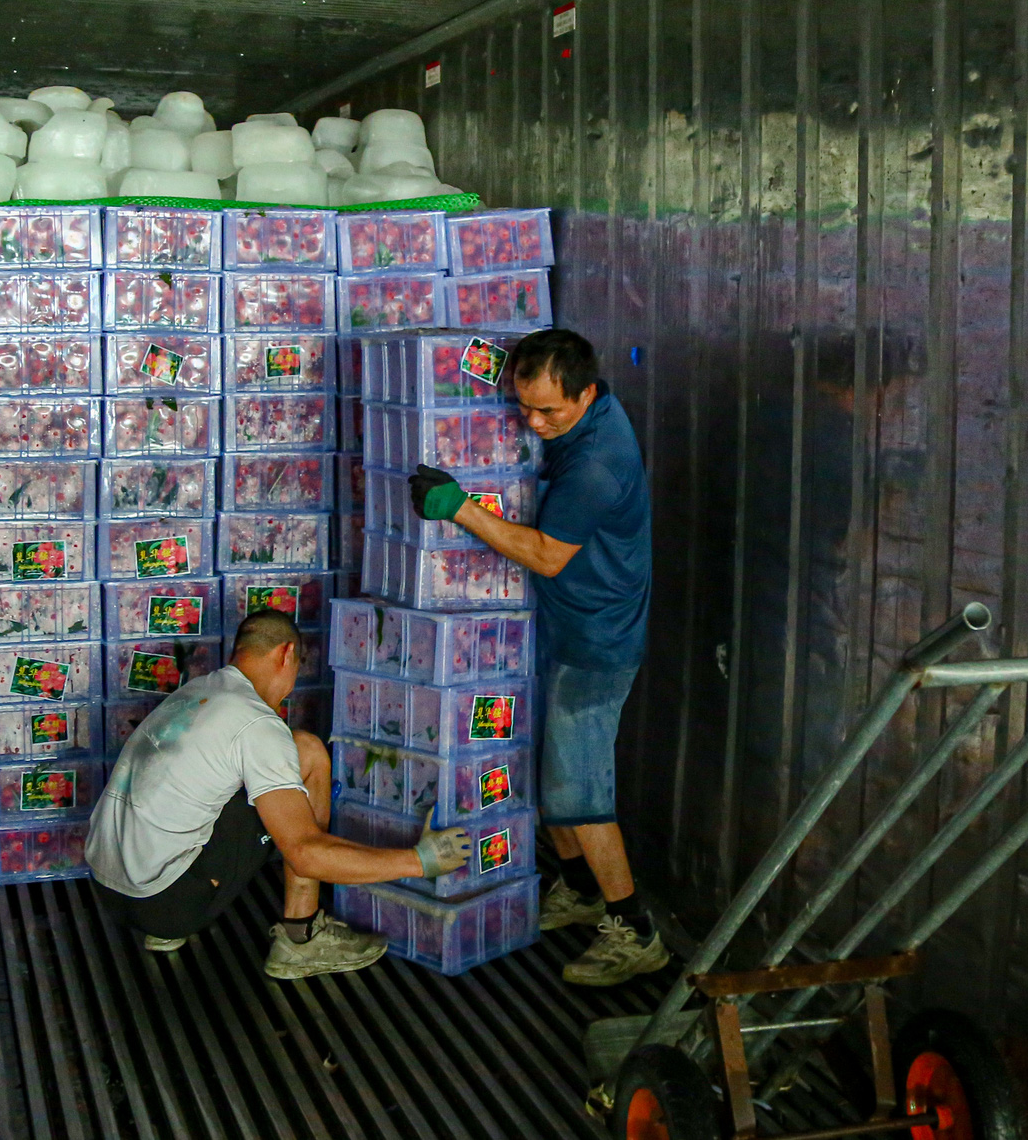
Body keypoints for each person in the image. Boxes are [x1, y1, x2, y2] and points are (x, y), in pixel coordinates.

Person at [408, 327, 664, 987]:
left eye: (549, 410)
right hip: (561, 624)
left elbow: (548, 554)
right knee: (554, 781)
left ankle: (634, 929)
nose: (533, 422)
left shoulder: (596, 465)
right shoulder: (585, 421)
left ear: (586, 393)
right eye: (525, 406)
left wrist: (460, 507)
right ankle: (578, 888)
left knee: (580, 791)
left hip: (596, 641)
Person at [88, 609, 471, 978]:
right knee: (308, 756)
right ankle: (300, 936)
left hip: (108, 894)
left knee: (290, 751)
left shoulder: (200, 690)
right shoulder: (256, 723)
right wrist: (421, 861)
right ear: (287, 654)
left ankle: (168, 921)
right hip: (163, 902)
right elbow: (304, 853)